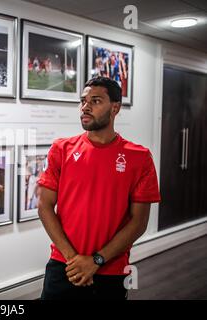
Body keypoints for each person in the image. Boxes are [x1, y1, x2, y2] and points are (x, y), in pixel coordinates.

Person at [37, 76, 161, 300]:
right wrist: (75, 261)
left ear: (115, 108)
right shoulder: (61, 149)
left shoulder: (140, 158)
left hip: (111, 271)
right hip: (64, 266)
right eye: (83, 100)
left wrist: (95, 261)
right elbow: (44, 206)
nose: (85, 106)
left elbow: (139, 222)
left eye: (95, 101)